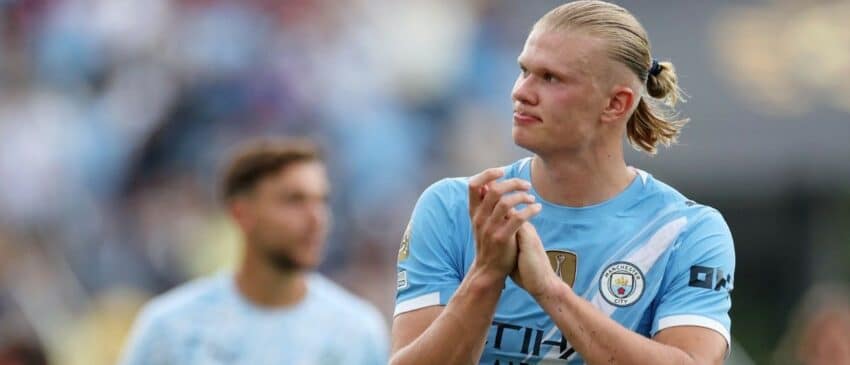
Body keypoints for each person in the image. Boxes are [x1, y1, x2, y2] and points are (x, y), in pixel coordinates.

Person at [391, 1, 735, 364]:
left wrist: (551, 292)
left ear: (616, 104)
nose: (521, 92)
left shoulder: (687, 231)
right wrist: (487, 274)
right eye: (523, 70)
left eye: (550, 78)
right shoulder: (456, 207)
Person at [119, 138, 388, 365]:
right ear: (242, 213)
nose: (316, 218)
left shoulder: (357, 333)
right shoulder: (171, 331)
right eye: (294, 201)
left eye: (322, 201)